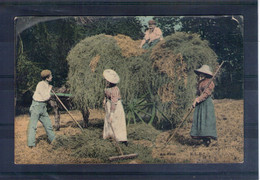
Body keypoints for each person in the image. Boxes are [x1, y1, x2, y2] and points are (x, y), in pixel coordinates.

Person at [27, 70, 55, 148]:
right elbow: (46, 97)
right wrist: (49, 89)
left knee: (48, 125)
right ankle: (31, 144)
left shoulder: (47, 84)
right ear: (47, 78)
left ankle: (54, 141)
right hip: (36, 106)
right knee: (33, 126)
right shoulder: (41, 84)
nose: (52, 77)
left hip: (43, 107)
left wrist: (49, 88)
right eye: (51, 76)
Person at [190, 65, 217, 147]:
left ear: (206, 73)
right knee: (200, 120)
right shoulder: (201, 82)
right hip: (200, 104)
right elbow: (199, 93)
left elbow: (206, 94)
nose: (201, 74)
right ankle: (203, 139)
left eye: (203, 73)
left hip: (206, 103)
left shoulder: (210, 82)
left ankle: (207, 140)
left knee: (206, 120)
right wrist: (196, 99)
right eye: (200, 73)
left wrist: (198, 100)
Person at [102, 69, 128, 146]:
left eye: (107, 80)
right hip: (109, 105)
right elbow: (106, 95)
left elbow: (114, 102)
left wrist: (112, 114)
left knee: (116, 122)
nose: (106, 81)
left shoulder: (115, 90)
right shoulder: (107, 87)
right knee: (108, 122)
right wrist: (104, 100)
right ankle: (109, 137)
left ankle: (121, 140)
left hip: (116, 107)